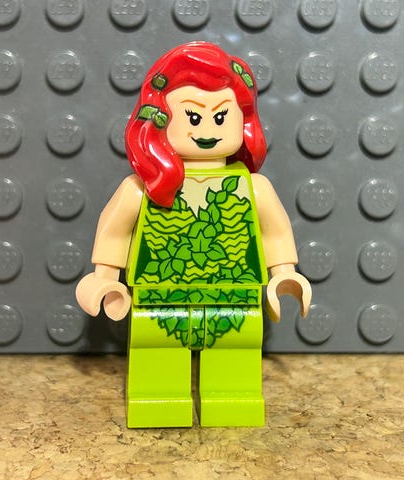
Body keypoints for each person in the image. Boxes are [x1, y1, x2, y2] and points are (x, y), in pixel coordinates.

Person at [76, 42, 311, 428]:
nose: (206, 131)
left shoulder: (254, 188)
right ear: (161, 120)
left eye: (220, 117)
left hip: (234, 295)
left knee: (235, 350)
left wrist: (285, 273)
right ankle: (157, 400)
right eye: (193, 117)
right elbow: (115, 232)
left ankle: (232, 399)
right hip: (159, 295)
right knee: (157, 349)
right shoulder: (143, 189)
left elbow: (273, 233)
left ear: (242, 120)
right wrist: (104, 278)